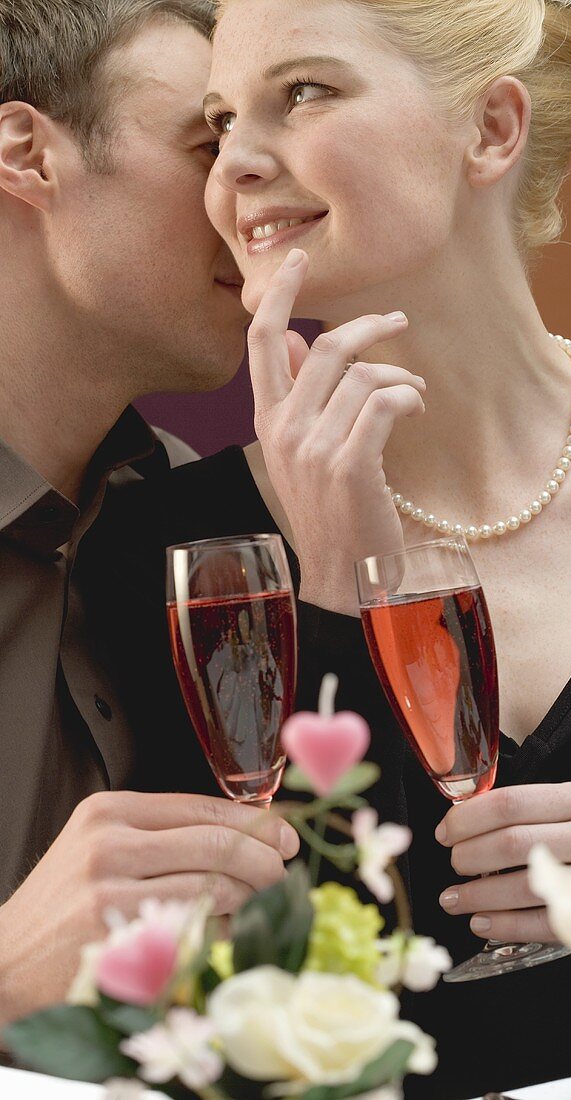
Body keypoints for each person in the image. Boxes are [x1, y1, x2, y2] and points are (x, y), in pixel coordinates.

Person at [202, 0, 571, 1095]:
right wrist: (332, 593)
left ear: (491, 129)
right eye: (215, 125)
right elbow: (272, 1004)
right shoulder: (187, 561)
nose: (234, 167)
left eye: (301, 92)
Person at [0, 0, 425, 1028]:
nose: (247, 188)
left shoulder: (197, 519)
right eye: (208, 139)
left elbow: (349, 949)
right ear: (27, 154)